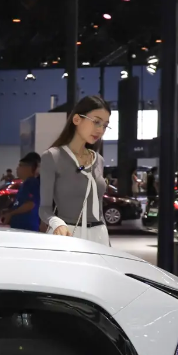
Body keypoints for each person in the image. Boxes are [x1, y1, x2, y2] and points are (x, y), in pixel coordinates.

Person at [39, 95, 111, 245]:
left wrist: (107, 242)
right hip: (67, 234)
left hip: (99, 235)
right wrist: (56, 223)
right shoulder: (52, 157)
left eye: (105, 125)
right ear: (77, 119)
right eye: (96, 122)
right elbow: (44, 209)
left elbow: (98, 209)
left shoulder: (99, 160)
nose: (100, 130)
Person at [0, 153, 42, 231]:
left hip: (27, 228)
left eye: (20, 165)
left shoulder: (31, 183)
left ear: (28, 168)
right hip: (20, 227)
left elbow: (30, 204)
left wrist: (11, 214)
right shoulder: (25, 184)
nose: (17, 168)